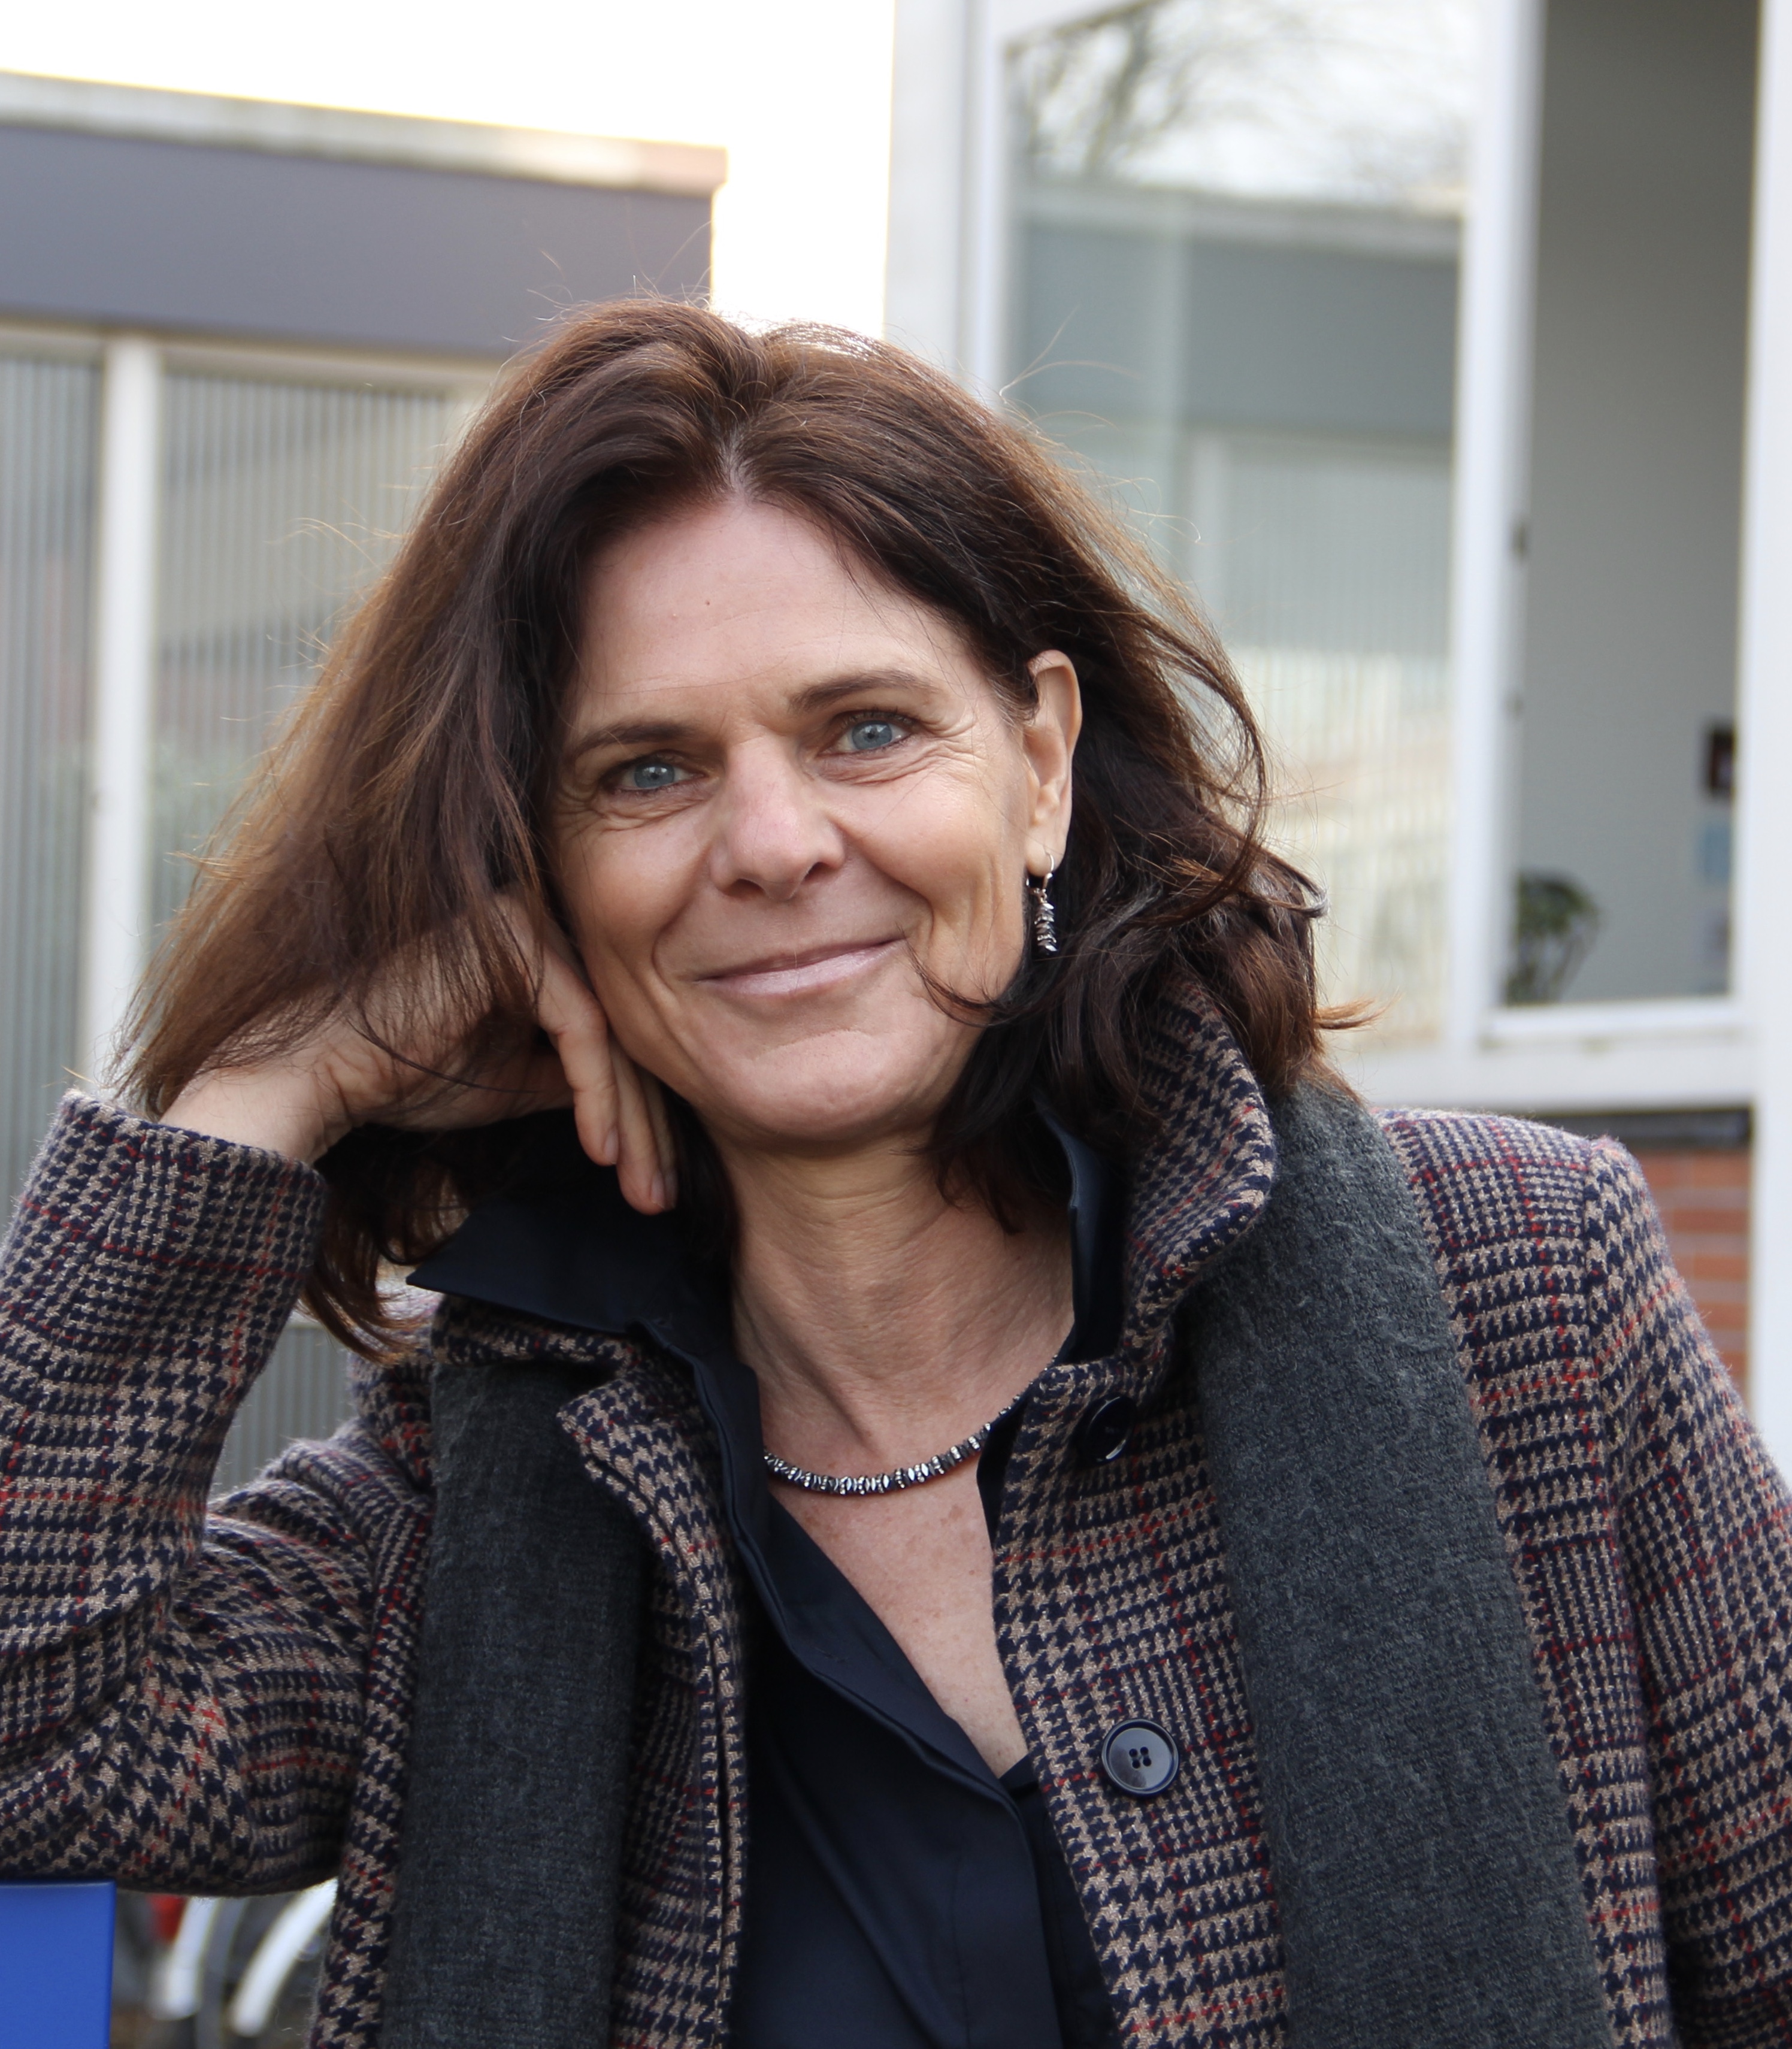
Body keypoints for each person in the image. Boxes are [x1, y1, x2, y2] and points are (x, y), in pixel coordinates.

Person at [1, 303, 1788, 2049]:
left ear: (1039, 763)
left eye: (864, 728)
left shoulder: (1523, 1292)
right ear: (537, 874)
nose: (774, 845)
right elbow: (39, 1749)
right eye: (648, 771)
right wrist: (272, 1082)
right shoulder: (471, 1488)